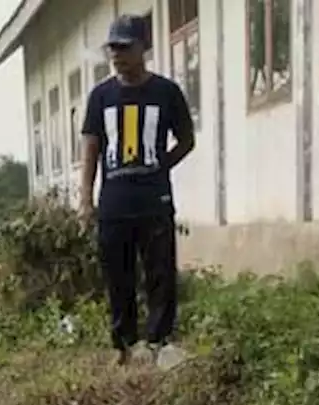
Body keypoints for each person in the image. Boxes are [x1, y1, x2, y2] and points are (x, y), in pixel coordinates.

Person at [80, 15, 196, 365]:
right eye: (112, 48)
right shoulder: (101, 96)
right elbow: (90, 147)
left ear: (143, 48)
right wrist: (85, 197)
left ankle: (159, 341)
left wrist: (159, 166)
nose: (117, 54)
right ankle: (125, 345)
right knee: (119, 276)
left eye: (124, 47)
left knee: (160, 272)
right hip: (114, 202)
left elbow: (186, 140)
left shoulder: (166, 92)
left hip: (154, 200)